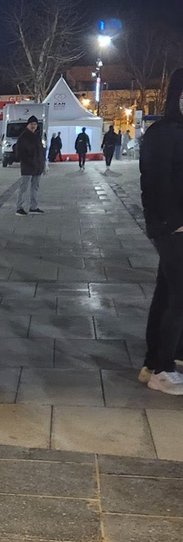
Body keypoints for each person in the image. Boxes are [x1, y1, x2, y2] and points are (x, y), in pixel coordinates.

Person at [138, 66, 183, 396]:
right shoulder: (164, 133)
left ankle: (154, 362)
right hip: (172, 227)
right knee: (178, 296)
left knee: (167, 292)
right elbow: (154, 184)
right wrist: (171, 222)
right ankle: (162, 367)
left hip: (173, 226)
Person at [13, 115, 46, 214]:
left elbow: (41, 151)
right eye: (31, 124)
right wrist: (29, 161)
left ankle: (33, 207)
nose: (33, 126)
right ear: (28, 125)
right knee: (24, 187)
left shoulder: (37, 136)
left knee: (35, 187)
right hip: (28, 166)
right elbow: (20, 153)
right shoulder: (23, 137)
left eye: (35, 124)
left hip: (37, 166)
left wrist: (43, 164)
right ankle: (19, 208)